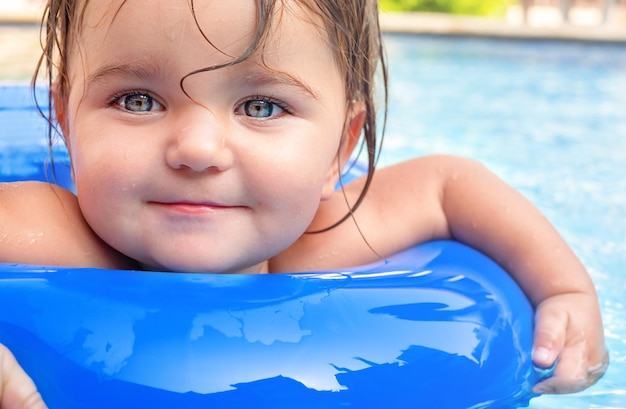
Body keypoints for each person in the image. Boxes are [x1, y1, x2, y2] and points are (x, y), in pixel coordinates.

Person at [0, 0, 608, 407]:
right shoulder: (52, 232)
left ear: (341, 147)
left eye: (261, 107)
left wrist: (566, 292)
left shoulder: (328, 238)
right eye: (136, 100)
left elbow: (450, 184)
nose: (196, 148)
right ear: (66, 120)